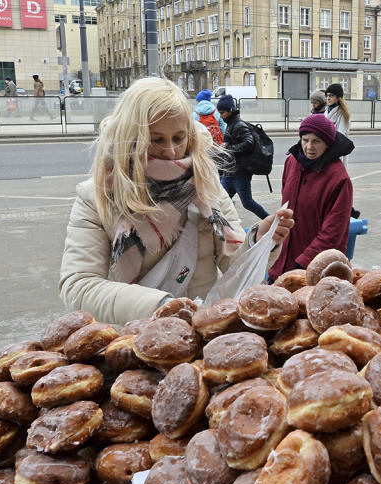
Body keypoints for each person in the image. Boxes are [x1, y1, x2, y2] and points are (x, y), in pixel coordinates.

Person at [59, 77, 293, 325]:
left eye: (179, 138)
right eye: (157, 140)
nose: (171, 152)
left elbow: (231, 261)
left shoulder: (206, 184)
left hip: (205, 331)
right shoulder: (97, 195)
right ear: (130, 136)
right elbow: (79, 284)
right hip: (141, 337)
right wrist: (160, 306)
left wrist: (259, 241)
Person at [267, 114, 354, 279]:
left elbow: (332, 234)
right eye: (305, 140)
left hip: (313, 270)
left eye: (316, 141)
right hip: (281, 262)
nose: (309, 147)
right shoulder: (292, 162)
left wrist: (302, 263)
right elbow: (286, 206)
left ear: (328, 144)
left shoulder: (339, 178)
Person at [216, 94, 270, 220]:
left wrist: (228, 147)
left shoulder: (239, 125)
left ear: (230, 110)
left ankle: (271, 221)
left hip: (240, 174)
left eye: (222, 112)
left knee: (248, 203)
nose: (220, 115)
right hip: (230, 172)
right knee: (221, 202)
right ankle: (221, 227)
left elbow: (248, 143)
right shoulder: (230, 123)